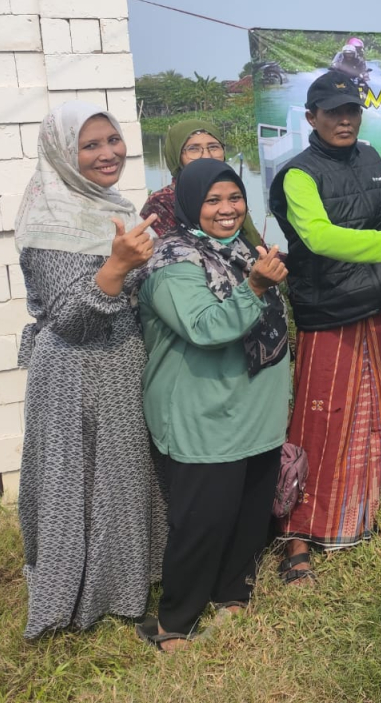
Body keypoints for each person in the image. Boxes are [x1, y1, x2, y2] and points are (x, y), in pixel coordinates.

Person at [268, 70, 381, 580]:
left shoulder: (372, 157)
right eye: (333, 112)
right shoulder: (298, 174)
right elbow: (317, 237)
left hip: (374, 302)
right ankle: (296, 536)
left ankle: (354, 518)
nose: (344, 119)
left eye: (352, 111)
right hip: (328, 312)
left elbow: (380, 224)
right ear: (312, 117)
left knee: (368, 414)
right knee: (319, 419)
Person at [13, 102, 165, 639]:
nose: (108, 154)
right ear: (63, 153)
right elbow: (71, 318)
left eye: (113, 140)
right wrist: (120, 264)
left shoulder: (112, 206)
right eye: (91, 145)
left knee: (122, 478)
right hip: (73, 372)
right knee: (74, 483)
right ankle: (68, 602)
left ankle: (125, 588)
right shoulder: (47, 217)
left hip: (121, 361)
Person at [136, 160, 291, 650]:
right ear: (188, 204)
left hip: (256, 411)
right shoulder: (172, 263)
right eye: (213, 201)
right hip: (204, 415)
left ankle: (233, 597)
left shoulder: (244, 250)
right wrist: (257, 286)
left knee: (248, 513)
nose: (227, 210)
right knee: (203, 521)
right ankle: (172, 623)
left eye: (234, 198)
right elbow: (205, 328)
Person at [142, 119, 263, 247]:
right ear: (176, 156)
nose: (206, 156)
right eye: (193, 149)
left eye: (214, 147)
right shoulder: (161, 203)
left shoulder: (228, 189)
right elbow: (169, 252)